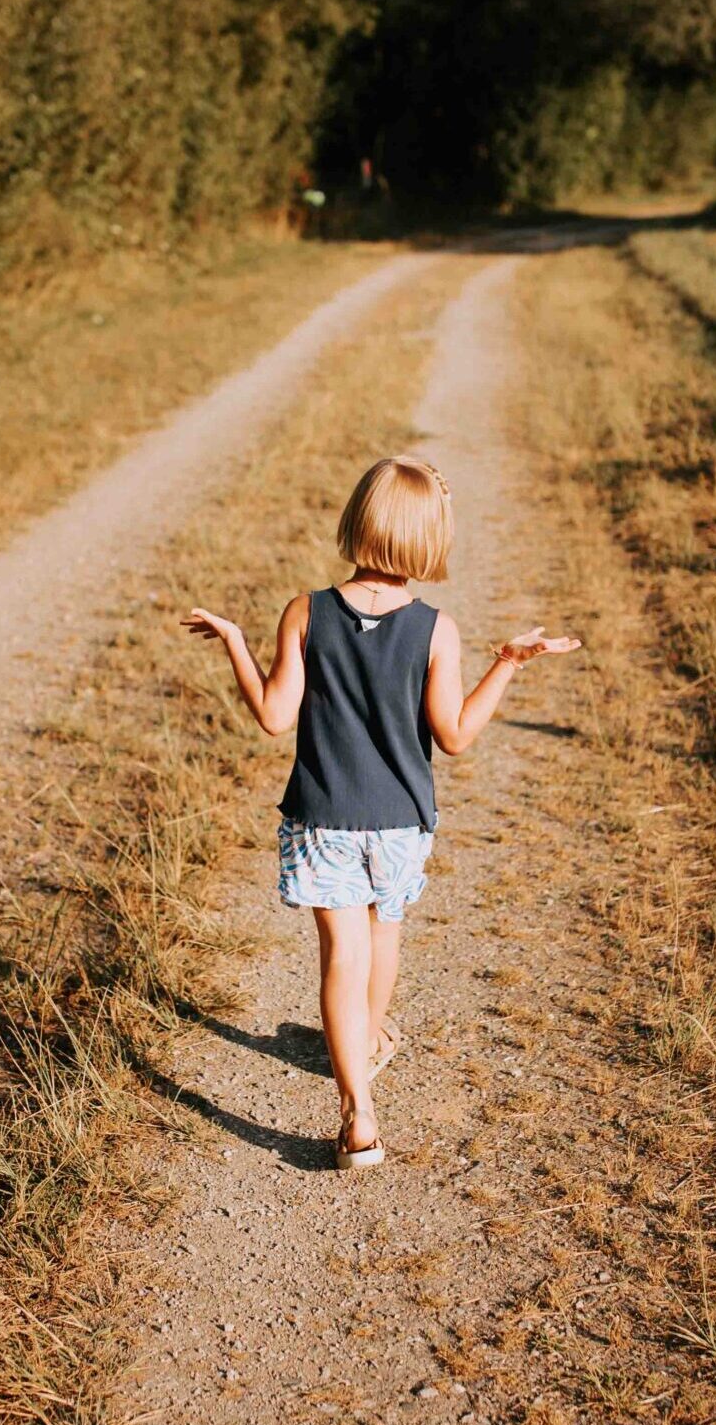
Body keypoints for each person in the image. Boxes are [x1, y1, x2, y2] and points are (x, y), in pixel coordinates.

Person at [183, 456, 580, 1168]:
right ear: (431, 537)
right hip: (399, 821)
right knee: (382, 934)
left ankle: (358, 1113)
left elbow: (275, 716)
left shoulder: (306, 612)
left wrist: (237, 644)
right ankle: (366, 1039)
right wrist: (511, 664)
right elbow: (455, 736)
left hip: (324, 818)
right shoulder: (436, 629)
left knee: (341, 957)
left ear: (358, 519)